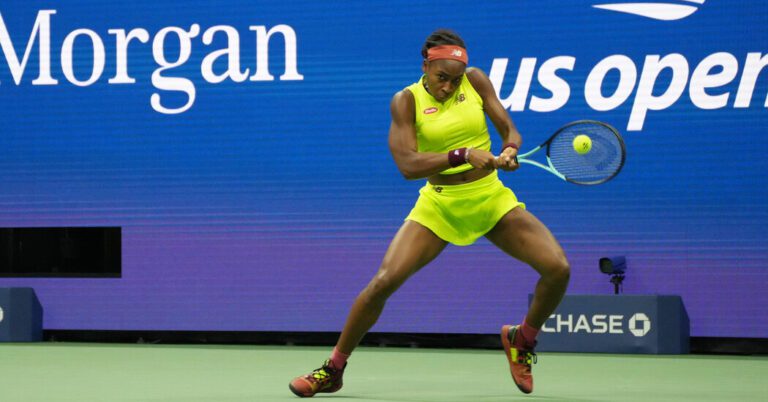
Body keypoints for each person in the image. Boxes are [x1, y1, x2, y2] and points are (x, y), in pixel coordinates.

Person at [289, 29, 570, 397]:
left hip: (489, 197)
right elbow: (407, 164)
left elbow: (507, 127)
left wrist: (511, 148)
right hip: (439, 205)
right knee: (382, 283)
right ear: (426, 66)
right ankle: (333, 369)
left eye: (455, 80)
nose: (449, 87)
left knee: (558, 269)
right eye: (441, 78)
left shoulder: (476, 80)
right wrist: (463, 154)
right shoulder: (405, 101)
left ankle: (522, 339)